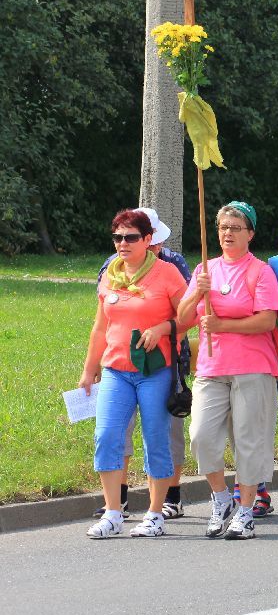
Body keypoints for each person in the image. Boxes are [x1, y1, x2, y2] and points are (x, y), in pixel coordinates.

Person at [177, 202, 278, 540]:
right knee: (201, 435)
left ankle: (246, 511)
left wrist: (223, 324)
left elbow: (267, 320)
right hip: (211, 367)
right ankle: (221, 498)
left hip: (254, 367)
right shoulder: (204, 269)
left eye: (235, 228)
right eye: (223, 227)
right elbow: (182, 318)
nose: (227, 233)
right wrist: (197, 291)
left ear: (250, 234)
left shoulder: (260, 271)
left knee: (249, 440)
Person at [80, 209, 188, 539]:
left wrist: (163, 329)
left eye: (130, 237)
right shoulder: (111, 274)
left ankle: (155, 514)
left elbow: (190, 316)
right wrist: (89, 369)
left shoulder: (167, 273)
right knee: (106, 436)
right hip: (116, 370)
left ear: (147, 239)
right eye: (117, 237)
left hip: (155, 371)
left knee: (156, 439)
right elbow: (101, 327)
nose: (122, 243)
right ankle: (113, 513)